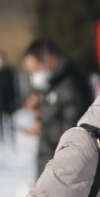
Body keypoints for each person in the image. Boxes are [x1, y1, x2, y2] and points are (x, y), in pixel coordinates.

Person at [21, 39, 91, 178]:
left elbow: (71, 130)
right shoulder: (57, 83)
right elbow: (56, 114)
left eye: (35, 69)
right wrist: (41, 115)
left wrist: (43, 125)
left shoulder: (71, 85)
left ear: (49, 59)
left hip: (64, 171)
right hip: (53, 166)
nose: (34, 76)